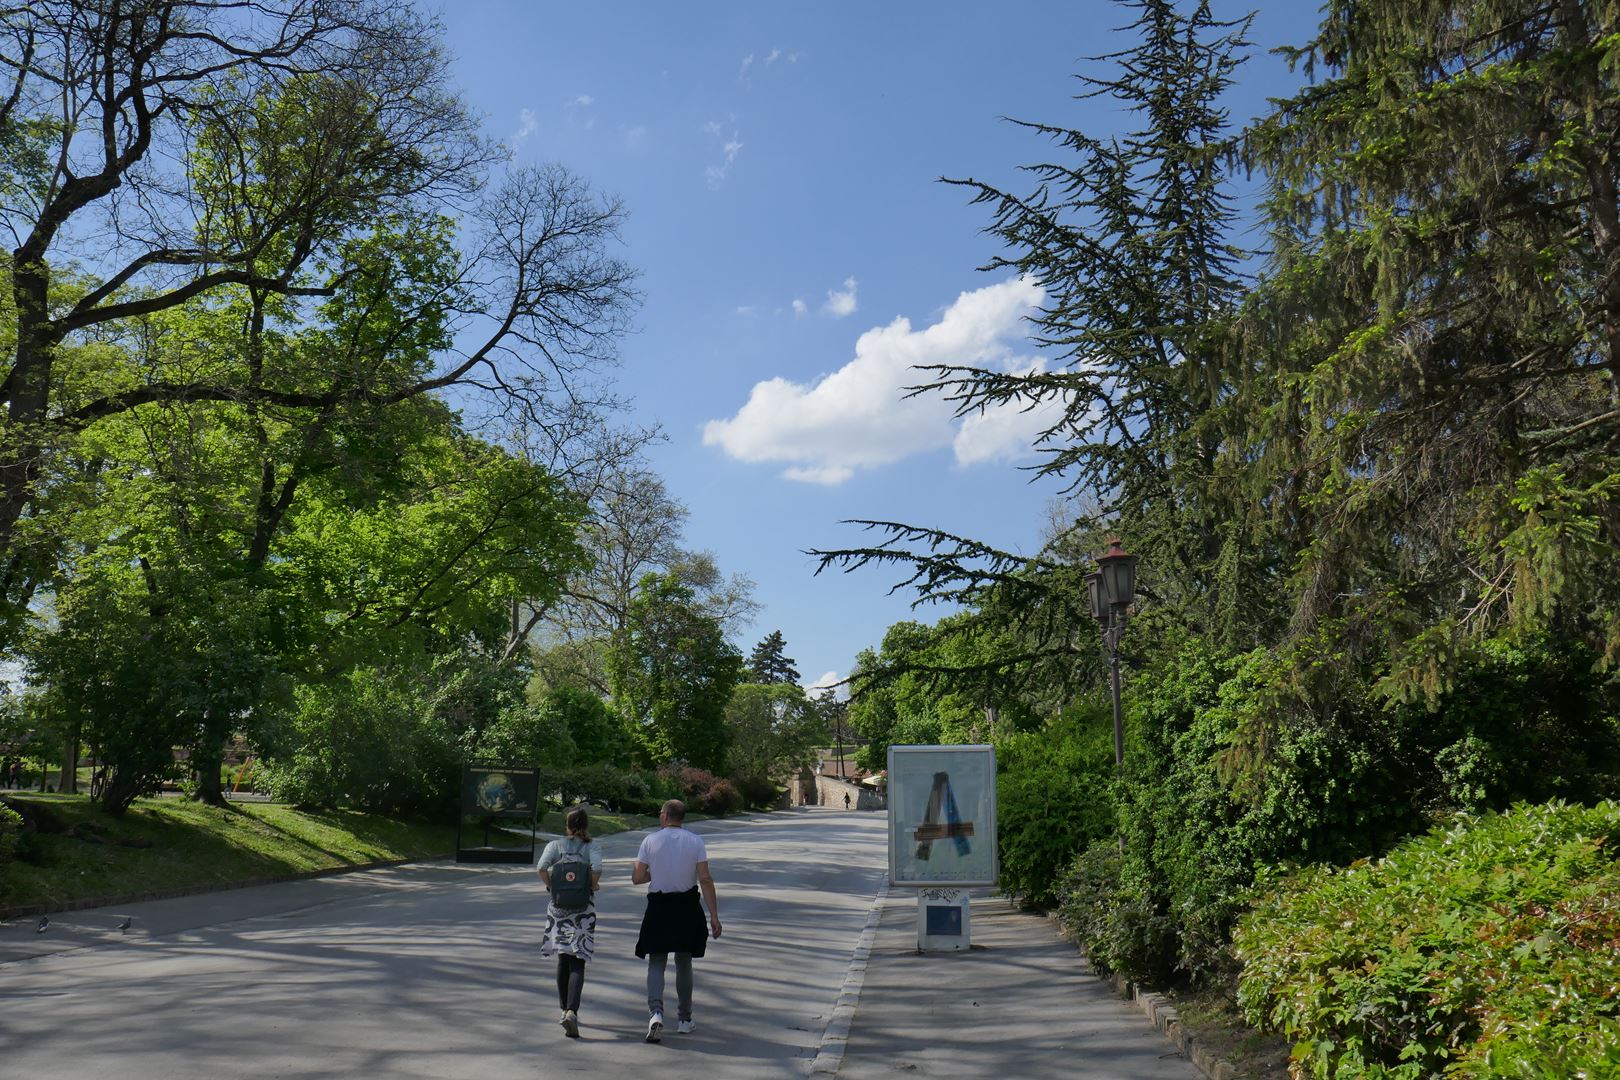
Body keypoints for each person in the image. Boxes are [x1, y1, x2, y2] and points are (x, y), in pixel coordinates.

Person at [632, 799, 721, 1042]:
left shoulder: (650, 840)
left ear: (665, 816)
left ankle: (656, 1013)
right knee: (684, 961)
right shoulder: (695, 841)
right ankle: (684, 1019)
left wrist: (654, 871)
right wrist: (714, 915)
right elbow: (705, 878)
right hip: (686, 906)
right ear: (682, 817)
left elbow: (637, 877)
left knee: (656, 961)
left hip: (659, 907)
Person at [537, 806, 603, 1039]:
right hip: (583, 909)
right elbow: (597, 869)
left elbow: (541, 868)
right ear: (585, 825)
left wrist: (552, 887)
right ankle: (572, 1011)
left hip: (558, 909)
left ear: (567, 825)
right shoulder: (592, 846)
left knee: (563, 958)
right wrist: (592, 885)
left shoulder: (555, 846)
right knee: (578, 959)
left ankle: (564, 1009)